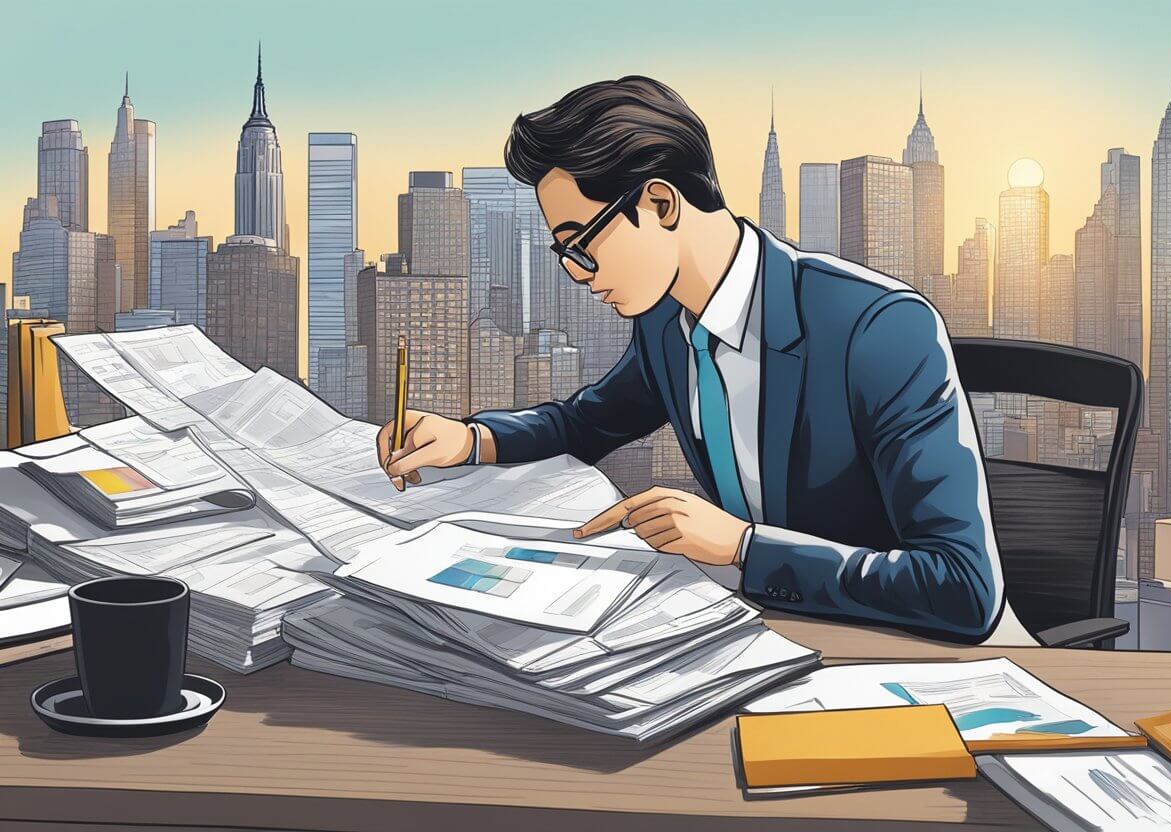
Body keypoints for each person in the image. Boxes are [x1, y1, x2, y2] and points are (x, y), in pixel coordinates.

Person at [377, 76, 1003, 642]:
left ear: (661, 204)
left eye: (582, 247)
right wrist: (471, 439)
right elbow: (586, 422)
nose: (575, 274)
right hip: (763, 635)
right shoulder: (665, 321)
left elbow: (963, 588)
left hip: (907, 653)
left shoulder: (879, 328)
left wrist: (742, 548)